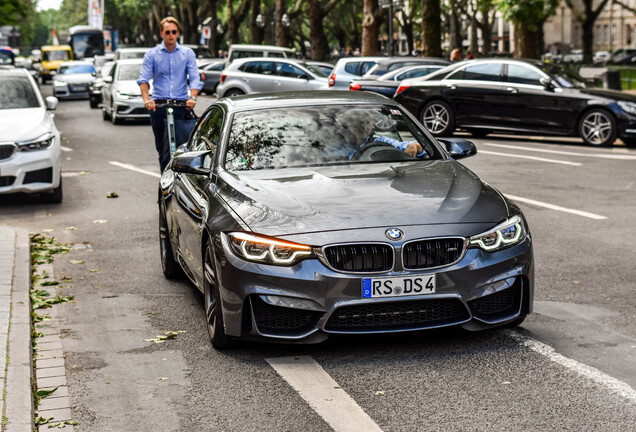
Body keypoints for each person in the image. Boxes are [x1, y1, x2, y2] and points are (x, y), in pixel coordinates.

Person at [137, 16, 203, 172]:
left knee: (178, 151)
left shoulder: (187, 53)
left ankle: (178, 184)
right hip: (158, 107)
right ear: (162, 33)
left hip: (181, 106)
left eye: (174, 32)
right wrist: (147, 100)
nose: (171, 35)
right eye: (167, 32)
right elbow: (143, 80)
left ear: (178, 33)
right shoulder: (152, 54)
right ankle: (165, 185)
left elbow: (195, 78)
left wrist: (192, 98)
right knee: (162, 151)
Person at [342, 110, 424, 158]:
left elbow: (420, 146)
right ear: (348, 125)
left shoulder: (380, 141)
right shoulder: (337, 143)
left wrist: (415, 146)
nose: (365, 127)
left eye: (368, 122)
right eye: (360, 123)